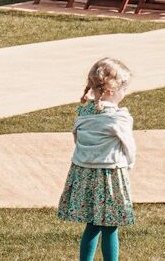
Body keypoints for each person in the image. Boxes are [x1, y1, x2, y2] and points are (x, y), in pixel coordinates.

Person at [58, 58, 137, 261]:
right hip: (111, 175)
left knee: (92, 225)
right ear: (111, 90)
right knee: (110, 227)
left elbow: (77, 139)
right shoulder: (119, 118)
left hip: (84, 173)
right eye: (123, 88)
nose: (124, 93)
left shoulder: (83, 114)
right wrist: (128, 164)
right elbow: (129, 147)